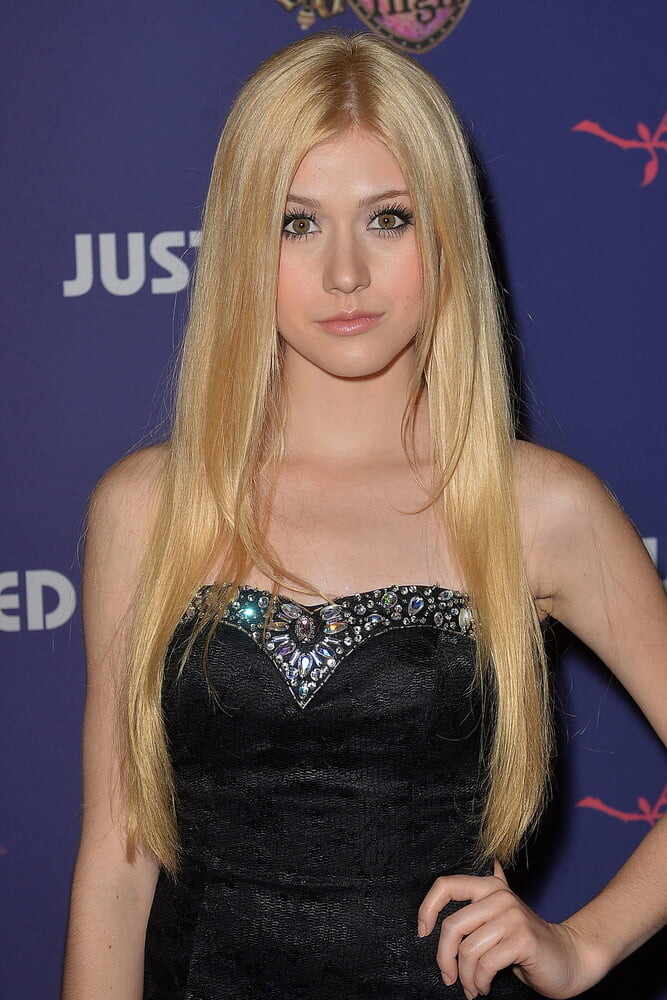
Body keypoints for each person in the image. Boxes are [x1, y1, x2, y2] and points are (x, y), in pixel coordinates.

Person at [61, 29, 667, 1000]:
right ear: (241, 244)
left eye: (387, 218)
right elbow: (116, 863)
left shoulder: (538, 506)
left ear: (444, 234)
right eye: (296, 224)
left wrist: (583, 944)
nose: (345, 272)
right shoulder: (148, 507)